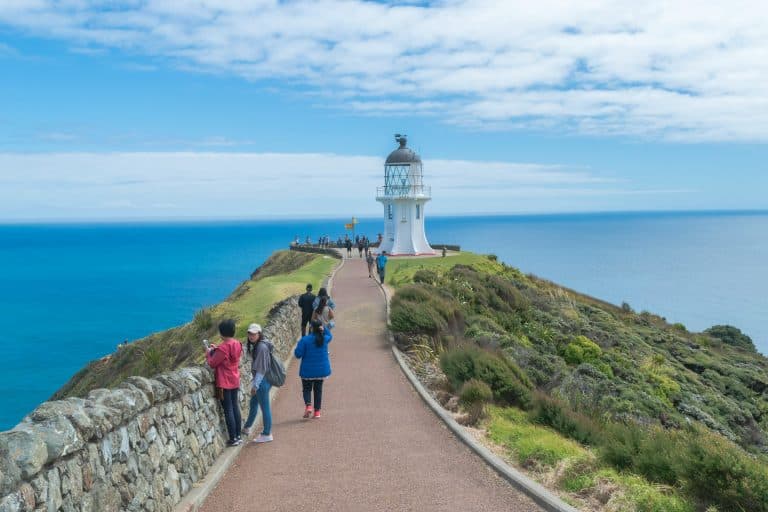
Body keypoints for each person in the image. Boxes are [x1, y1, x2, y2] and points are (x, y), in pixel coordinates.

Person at [205, 319, 243, 446]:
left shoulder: (223, 347)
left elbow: (212, 363)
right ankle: (238, 435)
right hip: (234, 379)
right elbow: (227, 357)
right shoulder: (237, 343)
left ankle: (233, 438)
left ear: (221, 333)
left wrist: (208, 353)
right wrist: (216, 350)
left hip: (224, 382)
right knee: (235, 406)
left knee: (228, 409)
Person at [294, 320, 333, 419]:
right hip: (321, 371)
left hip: (307, 371)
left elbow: (298, 354)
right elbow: (330, 336)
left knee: (307, 389)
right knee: (318, 390)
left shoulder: (305, 340)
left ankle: (308, 405)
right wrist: (324, 329)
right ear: (320, 329)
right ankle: (317, 412)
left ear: (311, 328)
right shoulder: (324, 339)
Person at [242, 323, 274, 443]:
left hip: (262, 381)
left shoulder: (260, 347)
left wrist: (255, 386)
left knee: (265, 408)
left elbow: (261, 370)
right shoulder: (261, 344)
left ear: (259, 334)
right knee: (254, 403)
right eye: (249, 333)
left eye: (254, 334)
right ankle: (247, 427)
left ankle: (267, 433)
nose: (251, 336)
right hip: (264, 380)